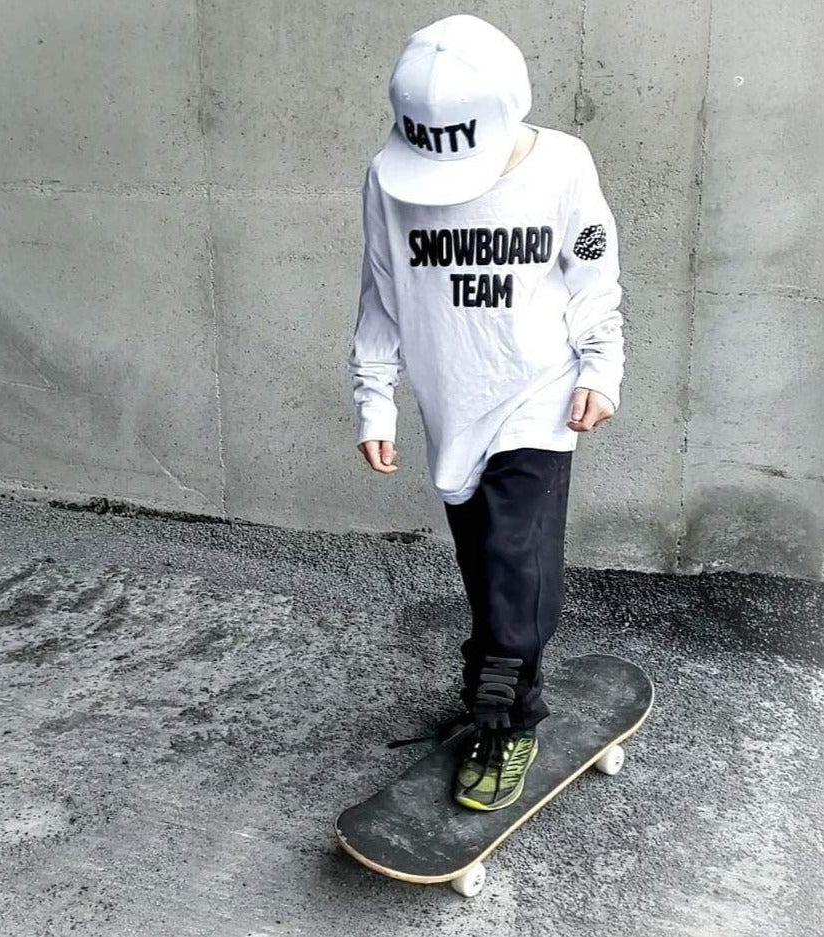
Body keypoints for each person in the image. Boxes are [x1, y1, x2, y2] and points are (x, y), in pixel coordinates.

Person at [346, 13, 625, 811]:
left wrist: (601, 369)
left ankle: (506, 716)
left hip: (538, 394)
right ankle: (497, 680)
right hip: (451, 405)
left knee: (513, 559)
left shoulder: (562, 164)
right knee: (486, 565)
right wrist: (374, 401)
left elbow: (592, 278)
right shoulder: (388, 180)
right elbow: (380, 295)